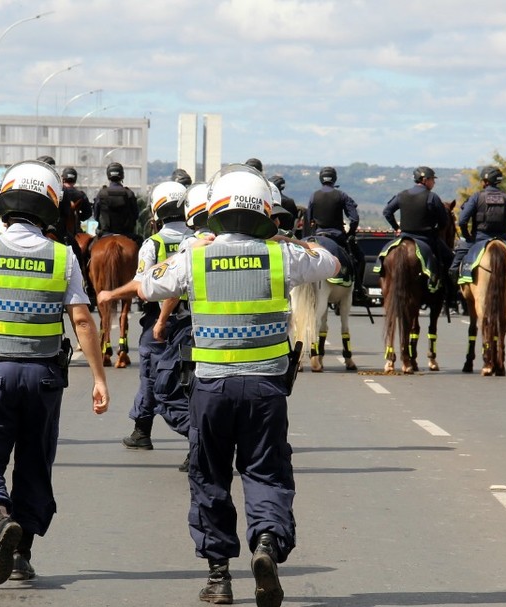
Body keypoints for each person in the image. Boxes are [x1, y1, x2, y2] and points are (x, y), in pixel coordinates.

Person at [137, 165, 339, 607]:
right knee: (266, 471)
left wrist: (193, 246)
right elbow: (331, 261)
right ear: (265, 211)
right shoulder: (279, 255)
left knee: (209, 477)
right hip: (267, 390)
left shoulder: (196, 255)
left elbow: (148, 286)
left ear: (217, 211)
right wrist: (285, 239)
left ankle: (218, 578)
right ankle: (265, 543)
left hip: (210, 389)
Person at [0, 159, 109, 585]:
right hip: (44, 379)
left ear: (4, 207)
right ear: (49, 208)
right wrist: (99, 378)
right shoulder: (63, 255)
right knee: (34, 465)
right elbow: (83, 321)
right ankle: (20, 556)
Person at [97, 180, 191, 454]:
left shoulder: (153, 243)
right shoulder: (197, 241)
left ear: (157, 212)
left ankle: (144, 431)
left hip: (161, 322)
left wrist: (111, 294)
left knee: (152, 374)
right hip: (194, 320)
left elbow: (142, 284)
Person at [381, 166, 455, 305]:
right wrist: (436, 228)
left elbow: (387, 212)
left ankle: (383, 281)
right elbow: (444, 221)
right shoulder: (432, 197)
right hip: (426, 238)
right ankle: (448, 293)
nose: (434, 182)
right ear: (425, 180)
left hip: (403, 236)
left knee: (384, 255)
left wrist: (396, 228)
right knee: (451, 259)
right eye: (432, 179)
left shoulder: (402, 194)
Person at [451, 166, 506, 285]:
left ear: (486, 182)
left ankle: (454, 294)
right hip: (503, 238)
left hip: (479, 238)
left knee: (455, 264)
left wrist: (468, 237)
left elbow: (462, 221)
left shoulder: (476, 197)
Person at [307, 166, 366, 299]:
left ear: (321, 179)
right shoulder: (342, 195)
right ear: (334, 179)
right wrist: (350, 233)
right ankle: (357, 288)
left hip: (317, 236)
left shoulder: (313, 196)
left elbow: (309, 218)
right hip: (337, 237)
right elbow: (354, 218)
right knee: (359, 259)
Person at [92, 161, 140, 246]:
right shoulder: (129, 193)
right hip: (127, 235)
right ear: (122, 175)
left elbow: (96, 216)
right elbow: (135, 215)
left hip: (105, 234)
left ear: (108, 175)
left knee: (88, 251)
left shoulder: (102, 193)